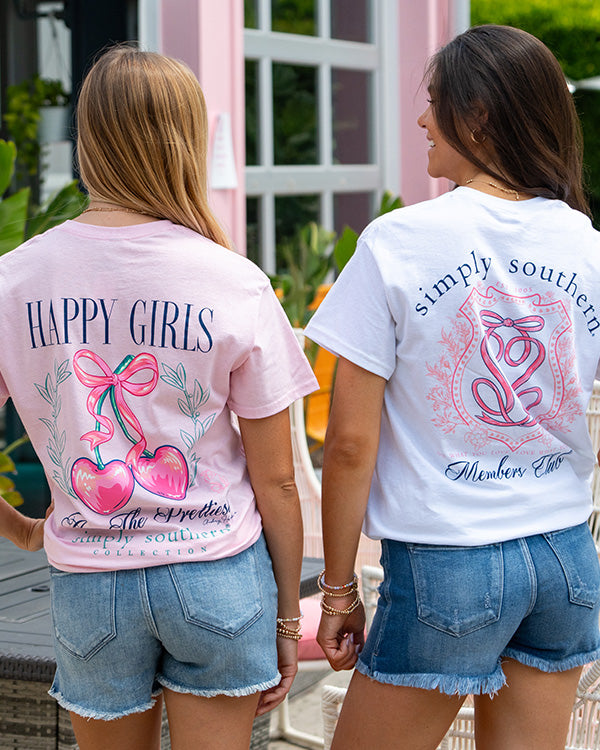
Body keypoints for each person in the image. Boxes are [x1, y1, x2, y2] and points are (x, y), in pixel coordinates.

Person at [0, 45, 318, 750]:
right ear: (187, 143)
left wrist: (24, 529)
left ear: (87, 142)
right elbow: (278, 481)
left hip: (90, 584)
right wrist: (289, 623)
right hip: (217, 575)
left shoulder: (14, 280)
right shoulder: (233, 279)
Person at [305, 24, 600, 750]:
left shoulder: (397, 242)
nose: (420, 120)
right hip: (565, 559)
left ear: (480, 115)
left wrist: (338, 590)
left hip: (448, 563)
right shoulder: (588, 244)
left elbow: (348, 445)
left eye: (434, 102)